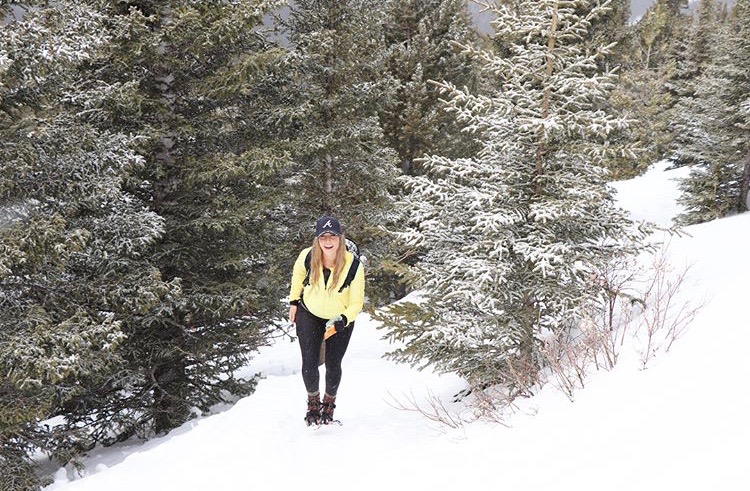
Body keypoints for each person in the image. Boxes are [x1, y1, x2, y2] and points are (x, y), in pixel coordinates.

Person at [288, 216, 365, 425]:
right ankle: (312, 403)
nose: (328, 241)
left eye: (332, 236)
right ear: (317, 239)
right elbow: (297, 276)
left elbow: (357, 302)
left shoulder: (353, 266)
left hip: (339, 318)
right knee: (309, 363)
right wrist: (294, 302)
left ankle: (329, 404)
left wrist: (344, 319)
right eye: (323, 236)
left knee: (333, 364)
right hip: (309, 313)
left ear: (340, 238)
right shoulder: (307, 256)